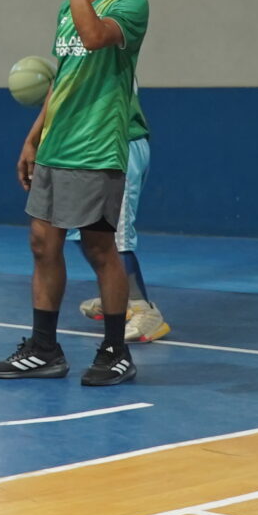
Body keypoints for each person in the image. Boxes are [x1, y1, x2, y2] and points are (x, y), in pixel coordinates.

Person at [0, 0, 152, 388]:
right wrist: (34, 137)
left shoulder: (130, 3)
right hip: (57, 145)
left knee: (101, 248)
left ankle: (115, 352)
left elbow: (94, 36)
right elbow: (63, 76)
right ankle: (44, 349)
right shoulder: (69, 7)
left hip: (96, 147)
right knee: (43, 245)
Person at [78, 106, 168, 342]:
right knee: (82, 230)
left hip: (118, 142)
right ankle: (120, 294)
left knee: (114, 235)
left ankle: (143, 309)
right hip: (85, 142)